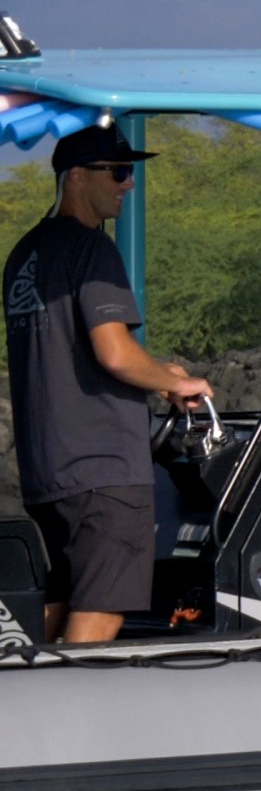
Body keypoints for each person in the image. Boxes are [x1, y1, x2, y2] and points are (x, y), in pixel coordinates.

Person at [4, 124, 214, 644]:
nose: (129, 184)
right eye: (118, 172)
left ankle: (27, 711)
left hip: (45, 473)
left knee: (60, 605)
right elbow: (114, 353)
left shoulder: (24, 255)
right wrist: (178, 382)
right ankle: (62, 721)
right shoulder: (92, 250)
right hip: (103, 470)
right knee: (103, 609)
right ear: (77, 177)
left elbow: (71, 354)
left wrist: (163, 378)